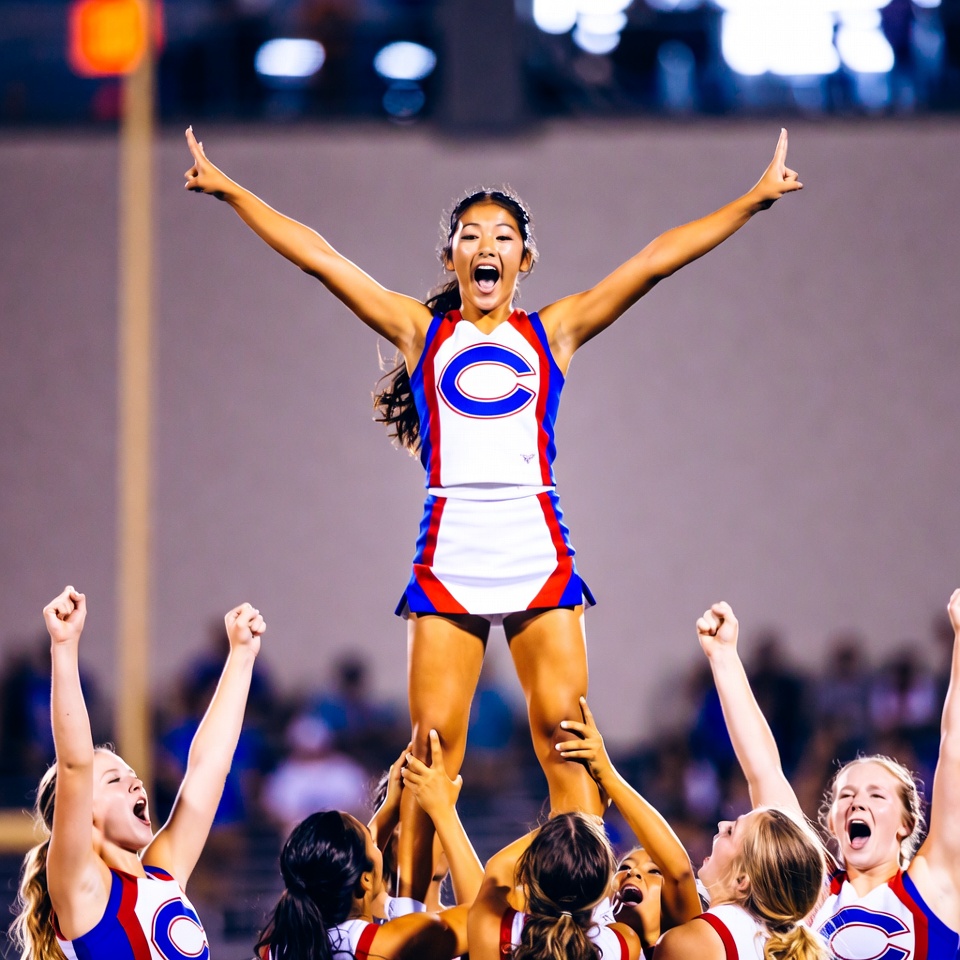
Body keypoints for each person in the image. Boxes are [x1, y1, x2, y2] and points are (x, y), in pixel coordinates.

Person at [183, 127, 802, 897]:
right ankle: (408, 912)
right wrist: (235, 191)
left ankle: (588, 916)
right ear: (452, 259)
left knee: (568, 742)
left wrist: (752, 200)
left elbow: (654, 259)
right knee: (431, 752)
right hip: (450, 547)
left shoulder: (555, 330)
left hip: (536, 544)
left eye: (503, 236)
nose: (486, 246)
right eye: (471, 236)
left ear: (523, 261)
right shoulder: (422, 330)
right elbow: (322, 258)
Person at [694, 595, 960, 959]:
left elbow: (954, 748)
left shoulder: (934, 885)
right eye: (846, 796)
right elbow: (763, 769)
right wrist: (723, 658)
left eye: (876, 796)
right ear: (832, 821)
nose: (857, 802)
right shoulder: (811, 892)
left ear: (906, 823)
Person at [9, 585, 265, 960]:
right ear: (84, 812)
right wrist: (63, 649)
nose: (135, 781)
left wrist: (242, 656)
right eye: (114, 779)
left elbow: (208, 767)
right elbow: (75, 765)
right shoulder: (82, 887)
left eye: (131, 774)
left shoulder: (164, 874)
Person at [557, 697, 702, 951]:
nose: (632, 874)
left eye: (655, 871)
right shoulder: (580, 941)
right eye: (623, 867)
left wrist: (607, 774)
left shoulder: (690, 947)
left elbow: (679, 871)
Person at [253, 809, 468, 960]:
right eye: (373, 843)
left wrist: (390, 807)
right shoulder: (389, 942)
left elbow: (343, 866)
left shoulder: (276, 947)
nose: (378, 844)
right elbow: (484, 919)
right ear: (365, 879)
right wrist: (444, 809)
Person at [653, 806, 827, 960]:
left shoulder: (690, 942)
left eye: (730, 832)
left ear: (742, 880)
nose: (721, 824)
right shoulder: (789, 946)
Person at [468, 811, 643, 960]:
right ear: (605, 885)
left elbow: (498, 869)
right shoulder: (625, 944)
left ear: (529, 876)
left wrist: (563, 823)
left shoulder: (492, 926)